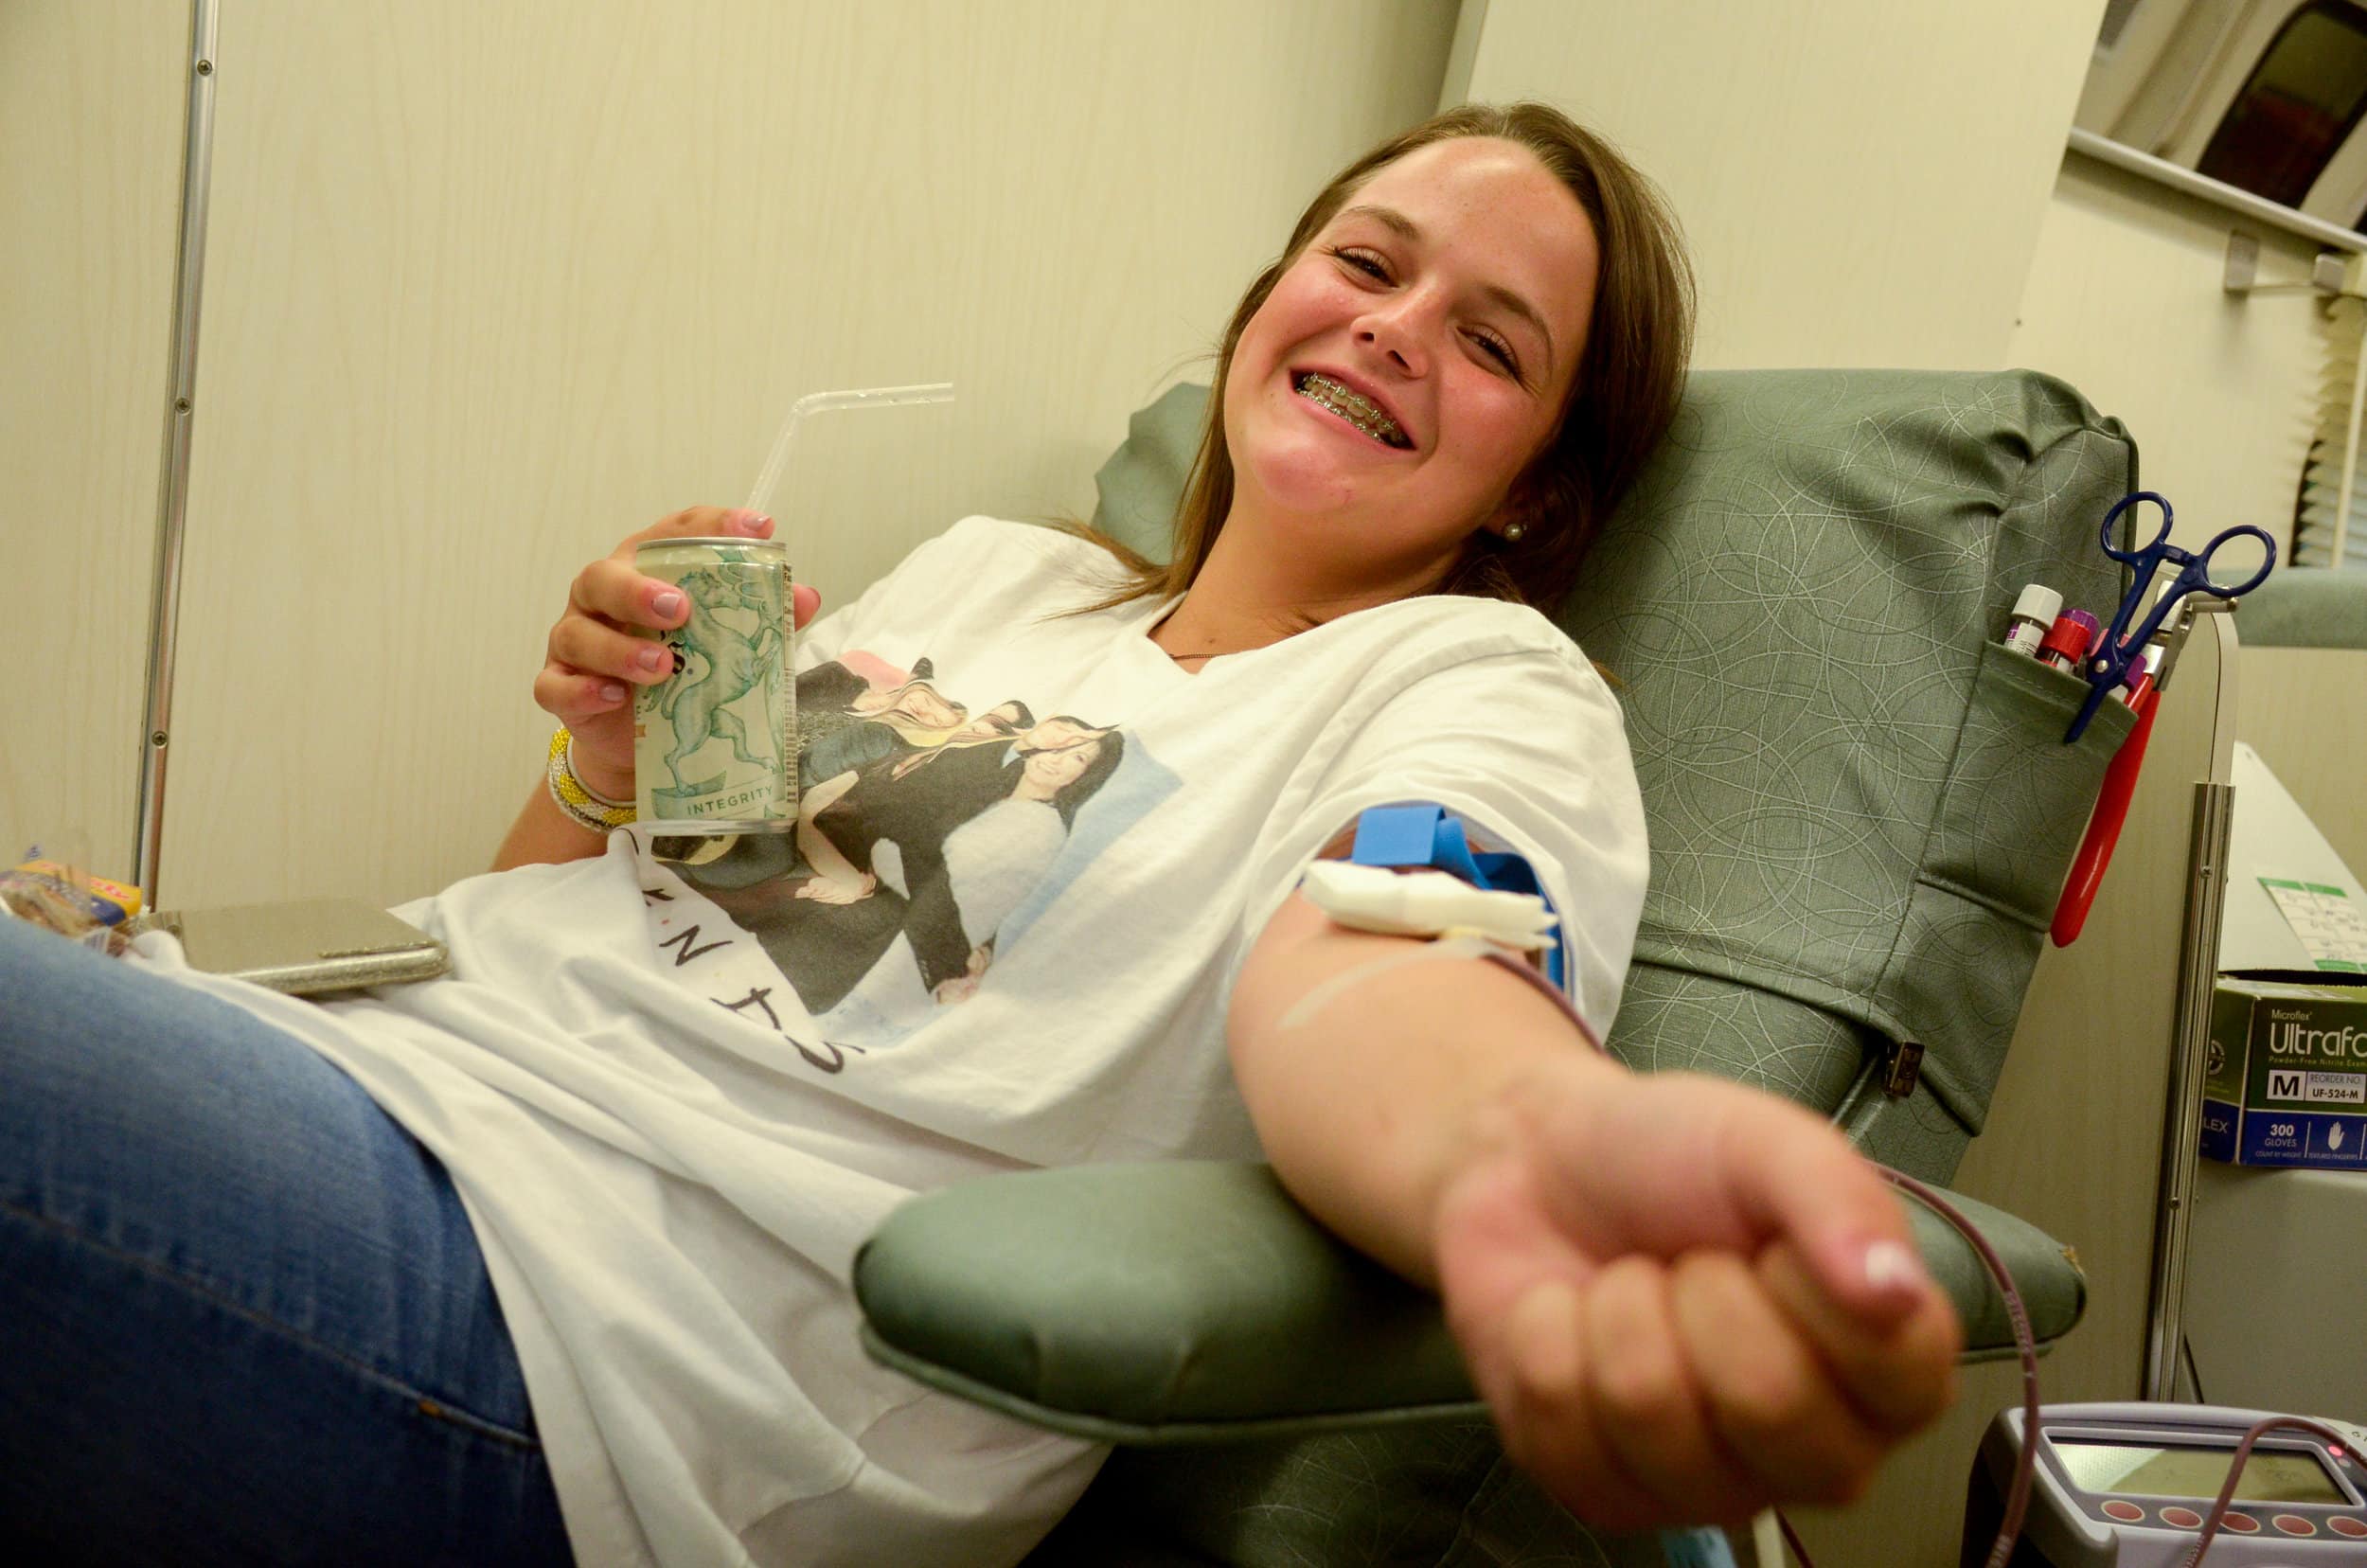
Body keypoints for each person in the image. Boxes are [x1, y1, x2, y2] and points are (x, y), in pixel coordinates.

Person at [0, 101, 1958, 1565]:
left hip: (579, 1344)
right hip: (369, 1079)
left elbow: (1390, 979)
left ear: (1534, 494)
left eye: (1491, 340)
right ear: (1271, 298)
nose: (1391, 327)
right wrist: (608, 753)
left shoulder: (1470, 686)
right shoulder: (1000, 575)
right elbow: (554, 921)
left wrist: (1529, 1153)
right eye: (1366, 265)